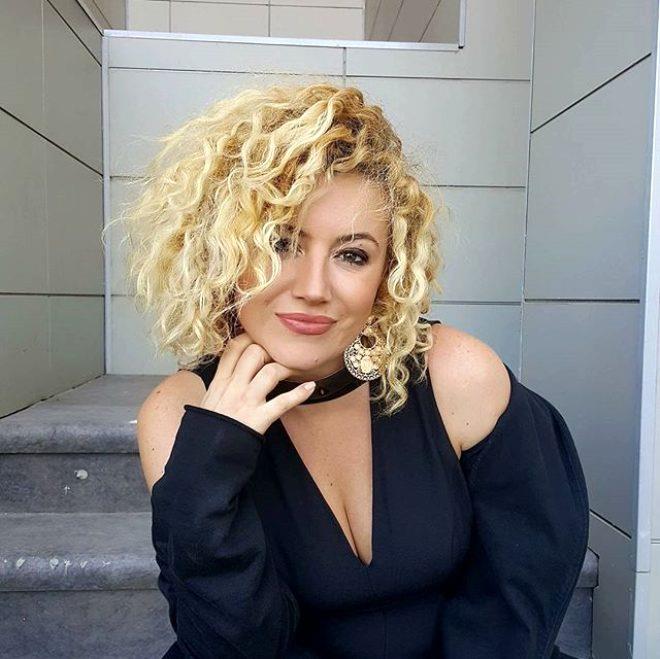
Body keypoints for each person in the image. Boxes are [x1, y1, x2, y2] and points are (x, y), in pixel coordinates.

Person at [118, 81, 589, 657]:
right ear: (223, 254)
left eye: (351, 254)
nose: (314, 288)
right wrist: (216, 455)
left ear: (386, 273)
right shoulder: (180, 415)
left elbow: (518, 601)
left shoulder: (457, 374)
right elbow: (235, 643)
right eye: (281, 243)